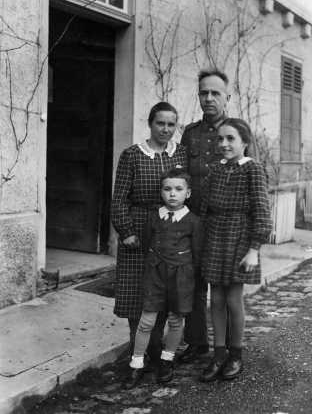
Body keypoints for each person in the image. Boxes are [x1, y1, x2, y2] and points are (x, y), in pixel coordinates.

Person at [180, 68, 259, 363]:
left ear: (227, 96)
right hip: (194, 220)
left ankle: (226, 349)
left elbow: (255, 183)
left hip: (228, 227)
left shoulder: (236, 132)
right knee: (195, 283)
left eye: (215, 93)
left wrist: (253, 242)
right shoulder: (190, 134)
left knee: (224, 293)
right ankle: (197, 342)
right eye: (204, 92)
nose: (209, 98)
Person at [111, 102, 187, 366]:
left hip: (169, 231)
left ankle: (156, 348)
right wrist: (126, 231)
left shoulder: (181, 154)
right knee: (137, 294)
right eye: (160, 123)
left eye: (171, 124)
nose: (166, 129)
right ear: (150, 123)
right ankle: (137, 350)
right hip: (139, 230)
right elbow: (119, 198)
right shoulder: (132, 155)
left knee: (163, 291)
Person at [199, 118, 272, 382]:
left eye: (230, 139)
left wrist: (254, 248)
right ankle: (218, 353)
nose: (224, 144)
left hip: (239, 238)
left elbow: (262, 211)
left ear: (245, 142)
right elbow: (205, 207)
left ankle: (236, 353)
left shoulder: (252, 169)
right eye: (220, 139)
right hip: (215, 237)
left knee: (232, 299)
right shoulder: (215, 169)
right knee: (215, 300)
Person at [124, 168, 202, 389]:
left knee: (176, 320)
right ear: (161, 192)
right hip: (155, 274)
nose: (172, 194)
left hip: (181, 276)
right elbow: (149, 242)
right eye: (167, 189)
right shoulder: (153, 217)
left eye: (178, 189)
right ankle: (136, 363)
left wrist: (190, 279)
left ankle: (167, 361)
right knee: (147, 320)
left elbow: (197, 254)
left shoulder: (194, 221)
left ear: (188, 193)